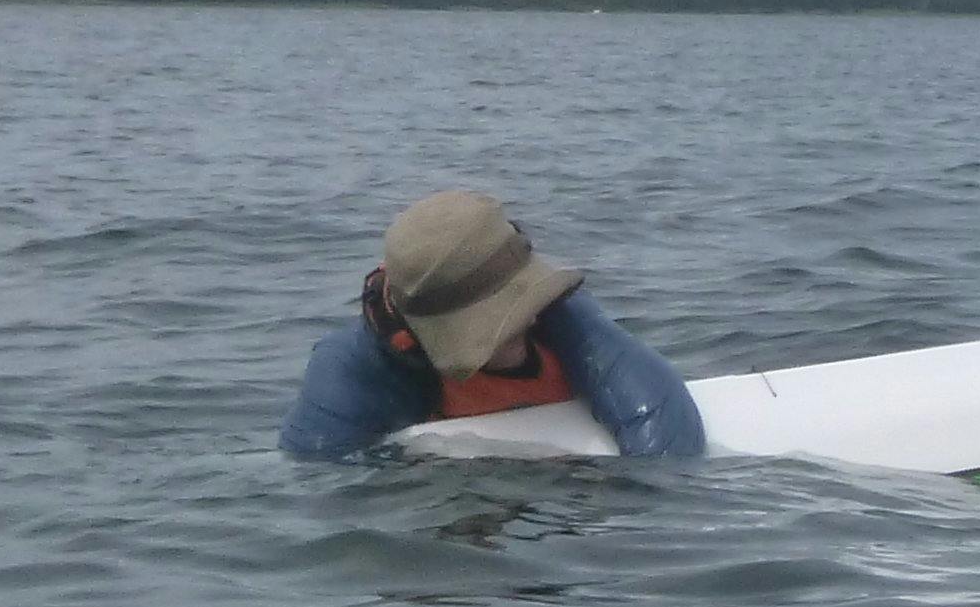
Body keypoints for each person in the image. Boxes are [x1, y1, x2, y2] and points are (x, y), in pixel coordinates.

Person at [280, 190, 708, 458]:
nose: (520, 333)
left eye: (522, 313)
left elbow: (666, 440)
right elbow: (315, 495)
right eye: (496, 328)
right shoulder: (350, 373)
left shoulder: (563, 316)